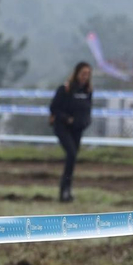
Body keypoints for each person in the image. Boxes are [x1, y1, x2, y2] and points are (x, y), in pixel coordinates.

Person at [49, 62, 93, 202]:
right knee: (72, 154)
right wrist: (67, 119)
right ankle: (64, 190)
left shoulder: (88, 91)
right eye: (83, 73)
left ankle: (67, 189)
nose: (85, 77)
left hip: (78, 129)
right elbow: (53, 107)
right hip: (62, 127)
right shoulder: (65, 89)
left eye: (87, 74)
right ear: (77, 73)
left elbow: (88, 109)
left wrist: (86, 121)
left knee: (72, 158)